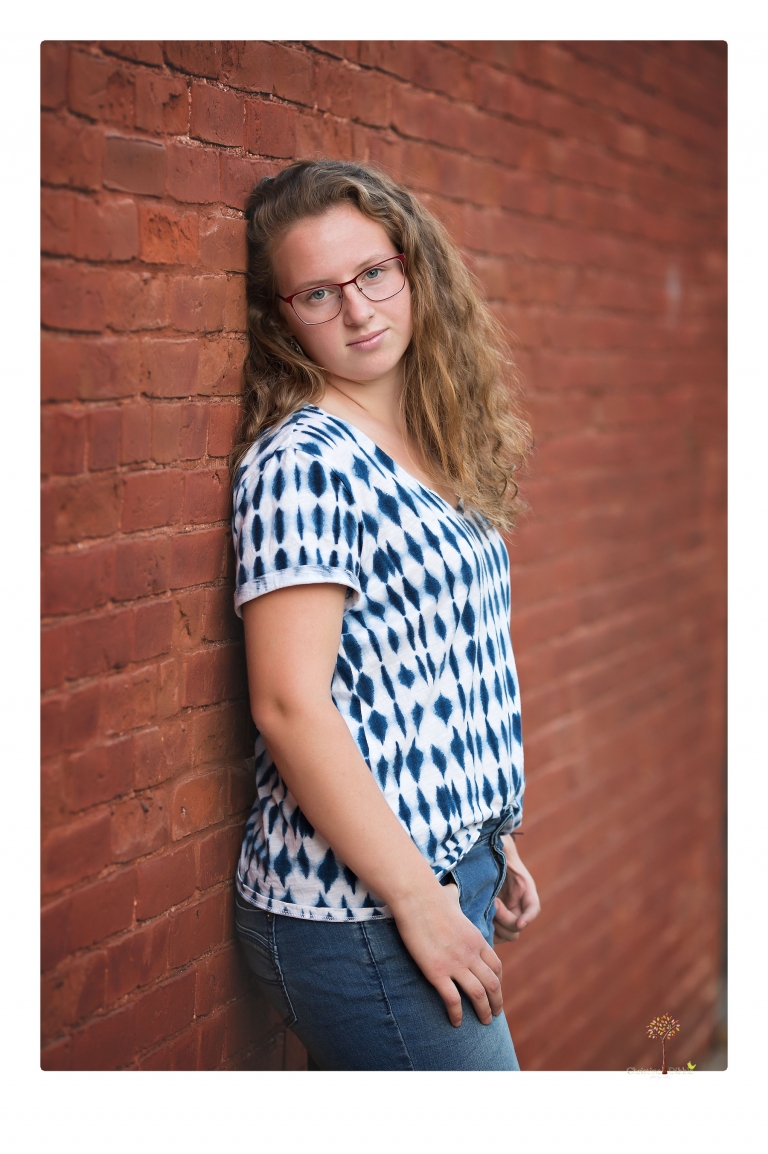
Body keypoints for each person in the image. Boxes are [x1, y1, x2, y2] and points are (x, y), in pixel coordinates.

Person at [229, 159, 540, 1071]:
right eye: (317, 293)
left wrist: (490, 834)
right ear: (281, 317)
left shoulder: (430, 440)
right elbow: (289, 704)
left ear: (413, 268)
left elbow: (435, 665)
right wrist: (416, 897)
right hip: (360, 908)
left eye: (373, 274)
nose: (358, 311)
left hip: (443, 871)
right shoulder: (307, 462)